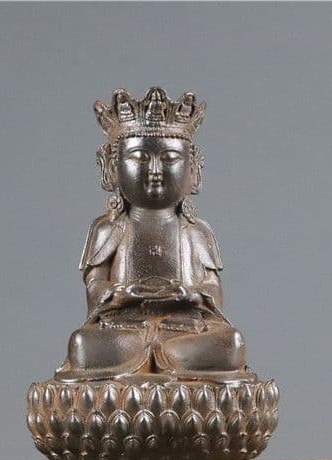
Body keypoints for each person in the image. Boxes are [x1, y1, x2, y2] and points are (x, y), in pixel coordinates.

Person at [54, 87, 254, 383]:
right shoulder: (109, 228)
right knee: (83, 343)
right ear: (112, 167)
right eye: (140, 158)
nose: (155, 170)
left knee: (231, 343)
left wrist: (191, 294)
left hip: (185, 328)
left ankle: (161, 372)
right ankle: (150, 373)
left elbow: (212, 288)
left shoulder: (196, 231)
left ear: (193, 169)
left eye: (170, 158)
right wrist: (123, 293)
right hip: (125, 329)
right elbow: (95, 286)